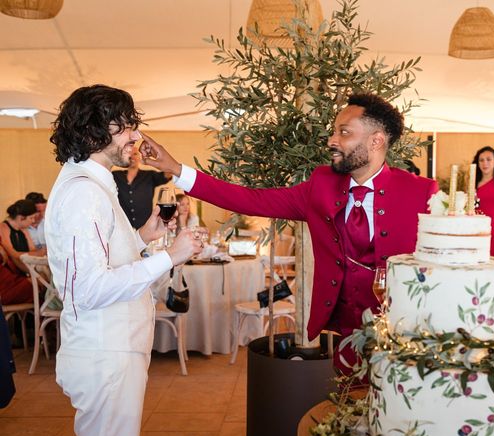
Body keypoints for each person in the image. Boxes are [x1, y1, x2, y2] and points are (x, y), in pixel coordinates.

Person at [139, 93, 439, 370]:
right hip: (340, 333)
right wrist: (177, 169)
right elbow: (251, 199)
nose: (332, 140)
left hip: (402, 331)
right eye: (333, 131)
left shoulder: (421, 193)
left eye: (344, 132)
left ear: (376, 141)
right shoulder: (321, 186)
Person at [46, 84, 201, 436]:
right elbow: (90, 288)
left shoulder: (95, 183)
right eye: (126, 127)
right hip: (105, 353)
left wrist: (143, 236)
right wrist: (171, 255)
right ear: (93, 133)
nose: (136, 135)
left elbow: (102, 258)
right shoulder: (85, 193)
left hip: (110, 348)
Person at [113, 145, 171, 229]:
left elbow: (168, 174)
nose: (132, 156)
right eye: (130, 154)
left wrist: (158, 157)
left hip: (145, 228)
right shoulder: (116, 175)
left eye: (135, 154)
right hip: (122, 228)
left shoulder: (149, 175)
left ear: (140, 157)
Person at [0, 199, 46, 275]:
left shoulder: (23, 228)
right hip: (14, 271)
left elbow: (33, 250)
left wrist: (40, 253)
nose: (33, 221)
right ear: (21, 218)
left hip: (27, 265)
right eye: (31, 218)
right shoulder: (3, 228)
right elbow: (14, 255)